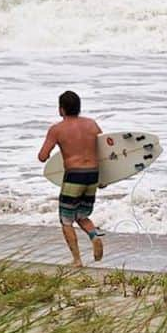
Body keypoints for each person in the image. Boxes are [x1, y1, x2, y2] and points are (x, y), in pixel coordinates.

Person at [38, 90, 105, 267]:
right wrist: (104, 179)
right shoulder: (92, 125)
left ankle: (77, 260)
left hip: (74, 176)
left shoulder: (57, 129)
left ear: (61, 110)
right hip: (93, 175)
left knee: (66, 220)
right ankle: (94, 236)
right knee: (82, 215)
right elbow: (105, 150)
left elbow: (43, 156)